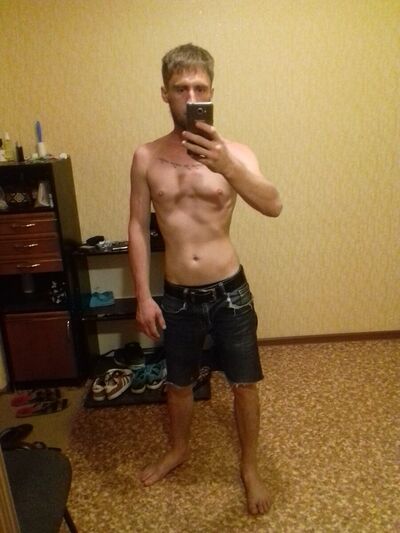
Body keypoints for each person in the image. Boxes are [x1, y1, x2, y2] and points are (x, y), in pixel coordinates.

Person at [128, 43, 282, 515]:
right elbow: (136, 226)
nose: (191, 96)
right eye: (181, 88)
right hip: (176, 296)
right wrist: (143, 296)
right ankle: (178, 449)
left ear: (212, 92)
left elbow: (273, 205)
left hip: (229, 291)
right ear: (164, 93)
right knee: (178, 384)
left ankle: (250, 466)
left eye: (200, 88)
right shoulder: (146, 157)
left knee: (244, 383)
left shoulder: (236, 153)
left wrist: (226, 165)